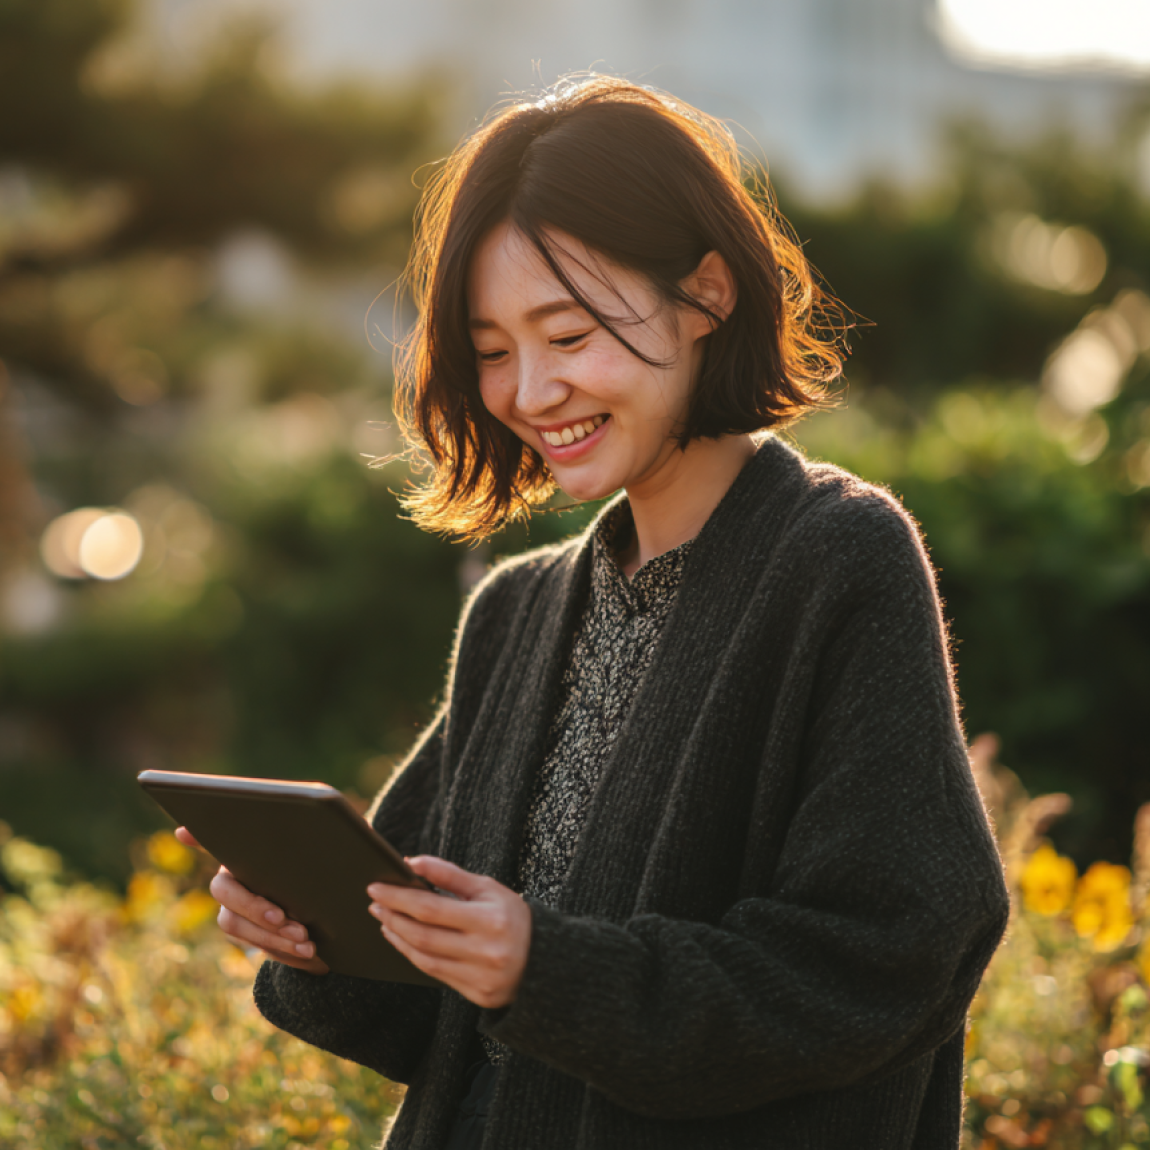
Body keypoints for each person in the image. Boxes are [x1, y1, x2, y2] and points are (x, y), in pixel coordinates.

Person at [177, 75, 1010, 1149]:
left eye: (567, 335)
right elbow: (437, 1013)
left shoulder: (838, 560)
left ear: (706, 294)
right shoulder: (515, 614)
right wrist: (321, 939)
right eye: (491, 350)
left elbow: (892, 955)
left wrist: (545, 966)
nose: (527, 392)